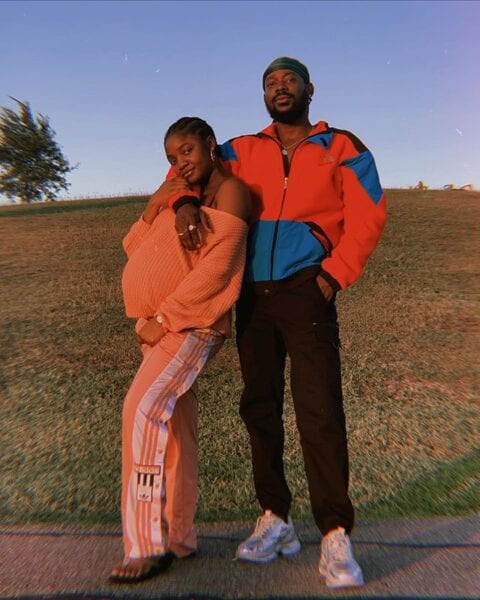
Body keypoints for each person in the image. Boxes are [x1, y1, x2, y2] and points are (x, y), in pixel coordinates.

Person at [169, 57, 387, 589]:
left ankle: (335, 533)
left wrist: (333, 275)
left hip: (307, 289)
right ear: (263, 95)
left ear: (310, 89)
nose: (280, 87)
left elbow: (369, 215)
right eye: (270, 82)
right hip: (252, 295)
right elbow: (186, 168)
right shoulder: (240, 149)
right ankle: (275, 518)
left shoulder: (342, 146)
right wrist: (183, 203)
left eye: (289, 79)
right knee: (259, 407)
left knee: (319, 409)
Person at [110, 117, 250, 583]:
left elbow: (219, 267)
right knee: (175, 430)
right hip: (160, 327)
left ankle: (146, 544)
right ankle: (179, 537)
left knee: (142, 411)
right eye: (172, 157)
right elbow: (133, 246)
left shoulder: (231, 192)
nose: (180, 163)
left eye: (187, 151)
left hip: (188, 326)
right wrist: (157, 205)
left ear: (210, 145)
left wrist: (165, 319)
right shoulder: (179, 196)